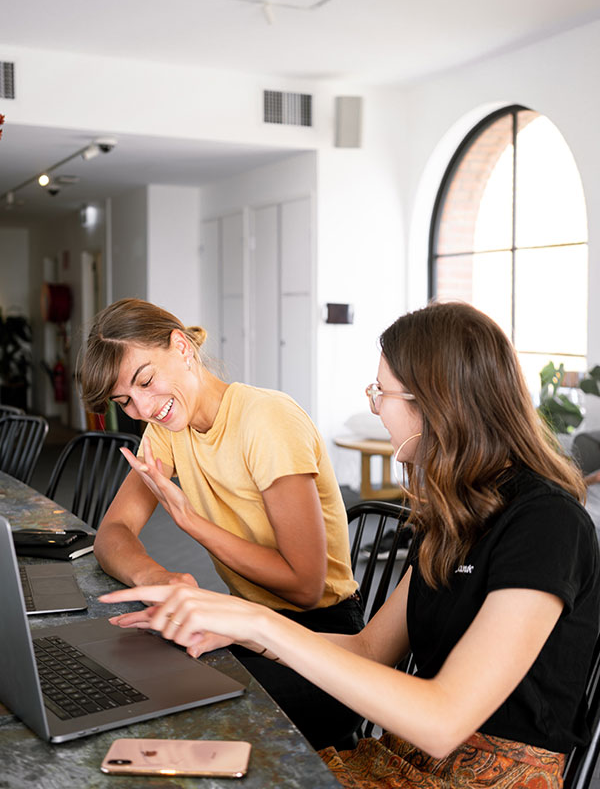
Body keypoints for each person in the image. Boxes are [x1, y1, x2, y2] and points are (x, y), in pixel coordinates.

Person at [100, 301, 600, 789]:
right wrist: (233, 628)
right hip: (405, 758)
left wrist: (253, 621)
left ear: (436, 402)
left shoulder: (546, 523)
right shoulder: (455, 514)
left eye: (381, 392)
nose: (375, 407)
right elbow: (370, 649)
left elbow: (443, 721)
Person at [79, 297, 364, 750]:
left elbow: (306, 586)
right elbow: (113, 533)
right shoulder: (168, 429)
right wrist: (158, 577)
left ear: (181, 347)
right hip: (246, 624)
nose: (144, 408)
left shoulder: (266, 419)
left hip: (323, 643)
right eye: (125, 401)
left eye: (146, 381)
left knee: (177, 709)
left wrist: (191, 522)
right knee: (132, 673)